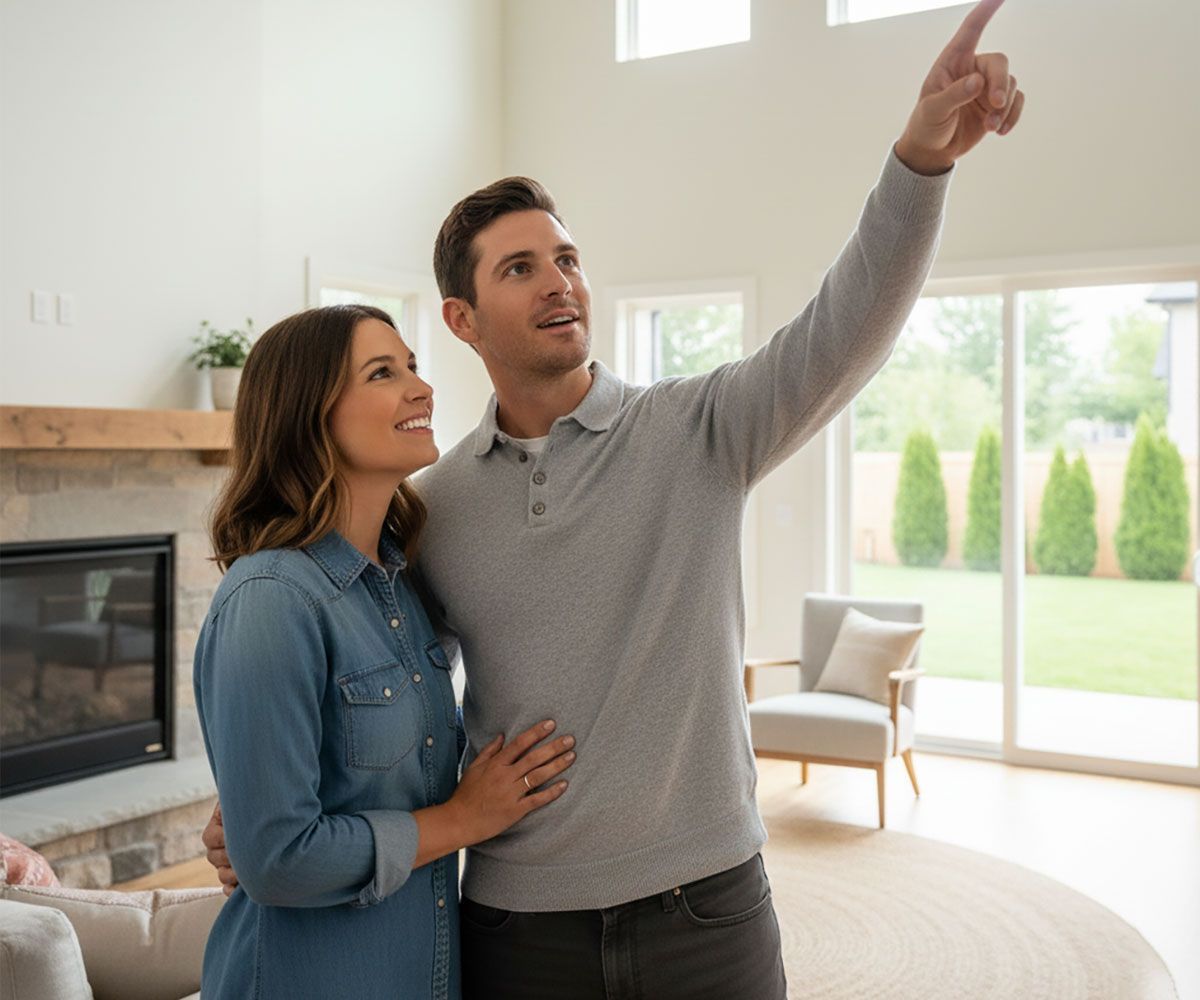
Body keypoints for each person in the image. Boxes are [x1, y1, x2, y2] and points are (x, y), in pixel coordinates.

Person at [205, 1, 1024, 995]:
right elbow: (374, 689)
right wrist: (260, 820)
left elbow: (846, 327)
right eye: (521, 268)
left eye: (568, 258)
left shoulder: (701, 429)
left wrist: (921, 157)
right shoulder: (432, 509)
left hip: (709, 907)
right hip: (515, 925)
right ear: (464, 318)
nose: (560, 283)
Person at [193, 304, 576, 1000]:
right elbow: (277, 860)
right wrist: (462, 819)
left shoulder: (399, 590)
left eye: (413, 367)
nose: (420, 388)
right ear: (309, 415)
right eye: (381, 373)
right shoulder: (271, 599)